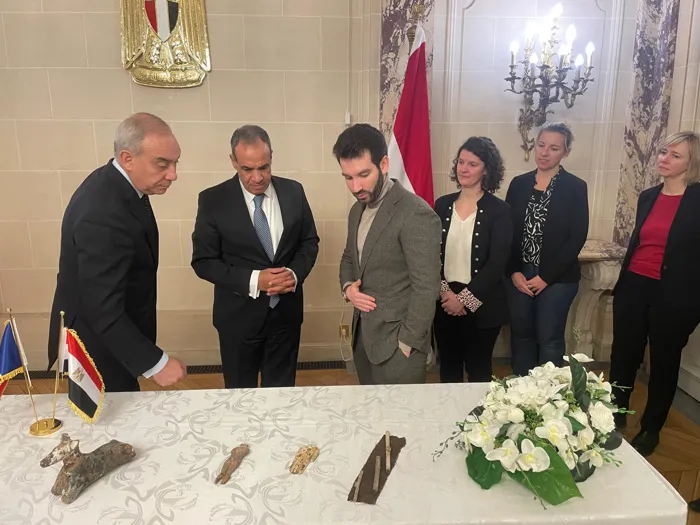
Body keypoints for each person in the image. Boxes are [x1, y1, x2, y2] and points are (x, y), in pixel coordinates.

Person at [47, 112, 188, 392]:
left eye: (175, 163)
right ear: (127, 158)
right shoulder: (103, 211)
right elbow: (100, 306)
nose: (173, 174)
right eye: (162, 164)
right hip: (95, 350)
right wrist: (156, 363)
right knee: (110, 417)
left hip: (111, 341)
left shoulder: (117, 185)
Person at [191, 125, 319, 389]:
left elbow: (309, 242)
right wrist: (254, 280)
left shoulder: (294, 192)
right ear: (233, 161)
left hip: (286, 317)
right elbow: (204, 261)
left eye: (264, 167)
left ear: (271, 157)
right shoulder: (213, 200)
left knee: (282, 395)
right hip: (238, 321)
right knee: (240, 397)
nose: (258, 177)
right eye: (247, 169)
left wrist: (294, 274)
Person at [609, 131, 700, 457]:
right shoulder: (648, 196)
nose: (665, 158)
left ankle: (651, 428)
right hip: (635, 284)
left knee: (663, 362)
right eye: (663, 152)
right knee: (623, 355)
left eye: (675, 155)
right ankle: (615, 412)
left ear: (691, 162)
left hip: (675, 295)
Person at [336, 123, 441, 385]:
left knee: (400, 412)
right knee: (370, 409)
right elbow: (349, 257)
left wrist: (407, 342)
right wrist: (348, 289)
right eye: (348, 177)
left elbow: (426, 288)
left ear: (384, 164)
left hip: (399, 346)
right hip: (363, 338)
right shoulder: (356, 210)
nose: (356, 186)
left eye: (363, 174)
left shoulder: (416, 213)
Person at [505, 122, 589, 376]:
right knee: (521, 336)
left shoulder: (575, 187)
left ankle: (548, 395)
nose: (544, 152)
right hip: (520, 274)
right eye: (541, 145)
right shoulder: (519, 184)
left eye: (553, 148)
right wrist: (514, 271)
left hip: (557, 278)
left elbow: (576, 237)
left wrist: (545, 277)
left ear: (566, 152)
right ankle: (520, 392)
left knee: (549, 337)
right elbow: (507, 233)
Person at [433, 137, 512, 383]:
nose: (464, 169)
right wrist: (446, 294)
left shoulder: (500, 211)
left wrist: (464, 300)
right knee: (448, 368)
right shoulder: (442, 205)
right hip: (444, 300)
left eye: (472, 164)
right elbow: (430, 255)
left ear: (486, 169)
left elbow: (497, 263)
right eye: (461, 162)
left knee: (479, 371)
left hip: (483, 303)